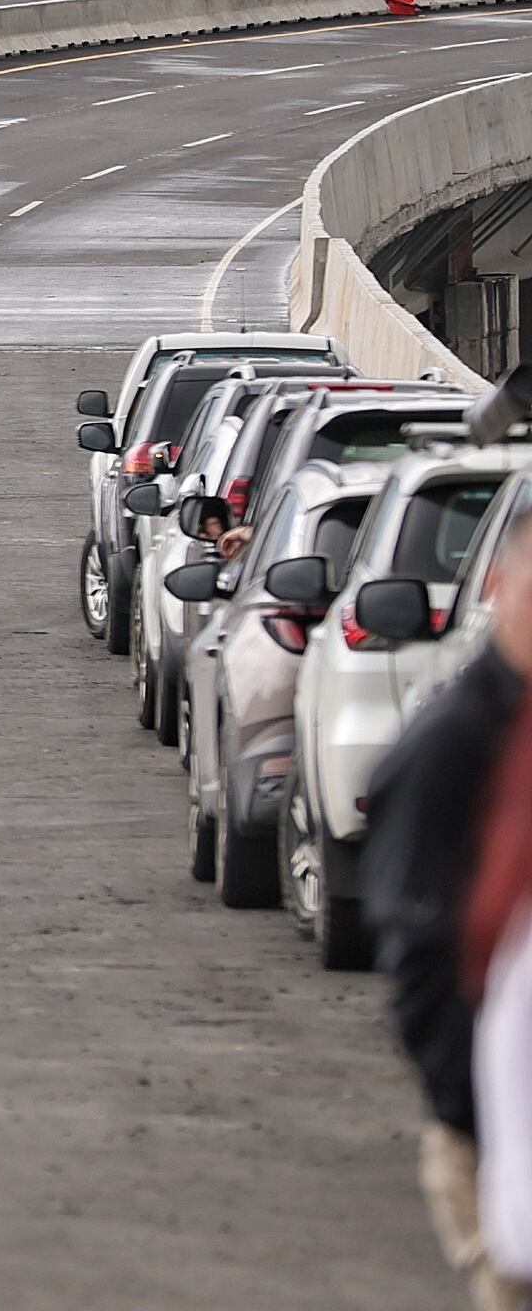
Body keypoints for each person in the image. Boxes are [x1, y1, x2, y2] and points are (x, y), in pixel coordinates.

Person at [369, 513, 532, 1309]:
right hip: (503, 1131)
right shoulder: (454, 742)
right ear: (497, 588)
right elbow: (420, 946)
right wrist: (479, 1117)